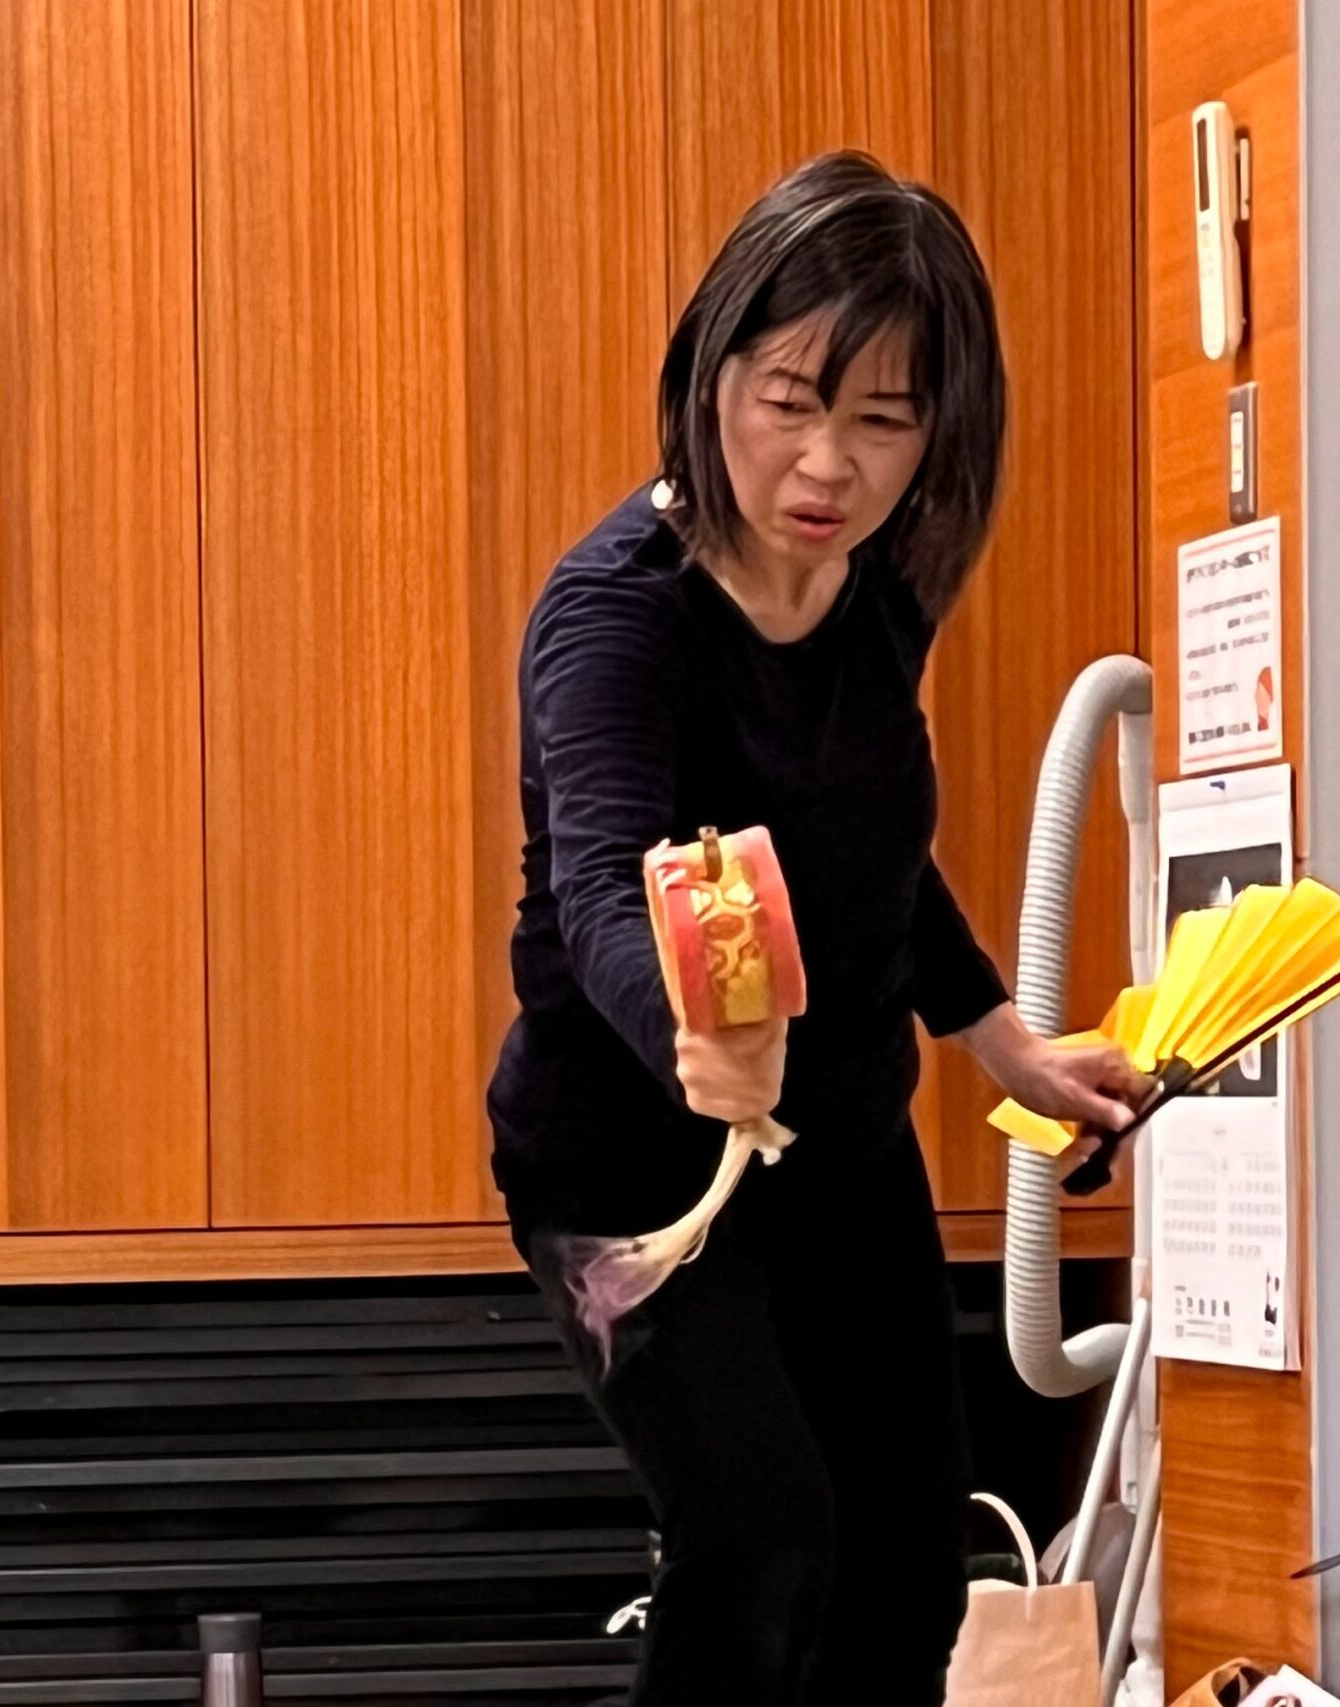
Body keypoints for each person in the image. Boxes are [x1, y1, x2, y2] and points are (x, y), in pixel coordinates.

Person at [485, 152, 1147, 1705]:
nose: (827, 463)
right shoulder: (617, 612)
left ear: (942, 432)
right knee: (761, 1538)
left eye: (884, 421)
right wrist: (695, 1035)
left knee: (908, 1558)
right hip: (628, 1155)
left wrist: (1006, 1043)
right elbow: (602, 890)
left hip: (838, 1141)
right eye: (789, 401)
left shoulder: (877, 593)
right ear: (713, 372)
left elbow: (872, 850)